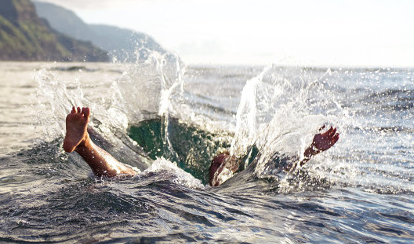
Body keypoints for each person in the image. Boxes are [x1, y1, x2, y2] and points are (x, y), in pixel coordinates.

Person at [63, 107, 339, 186]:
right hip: (173, 184)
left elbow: (280, 169)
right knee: (128, 175)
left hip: (179, 199)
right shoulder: (198, 184)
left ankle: (85, 143)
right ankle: (84, 143)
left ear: (232, 171)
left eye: (222, 164)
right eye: (215, 162)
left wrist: (311, 151)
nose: (216, 164)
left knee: (127, 176)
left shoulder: (244, 181)